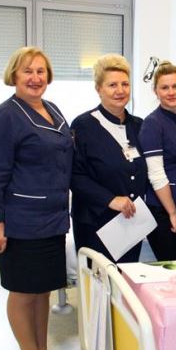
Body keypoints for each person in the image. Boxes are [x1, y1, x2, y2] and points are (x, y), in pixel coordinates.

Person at [0, 46, 73, 350]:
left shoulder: (52, 109)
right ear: (14, 75)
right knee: (22, 290)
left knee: (42, 289)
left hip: (53, 217)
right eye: (27, 71)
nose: (35, 78)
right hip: (22, 219)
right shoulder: (5, 117)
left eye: (40, 71)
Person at [70, 54, 147, 263]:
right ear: (99, 89)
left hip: (131, 221)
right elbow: (75, 175)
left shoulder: (138, 126)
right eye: (112, 85)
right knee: (99, 279)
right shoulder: (83, 126)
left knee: (125, 278)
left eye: (125, 84)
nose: (120, 90)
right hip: (96, 221)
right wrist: (110, 200)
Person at [139, 61, 176, 261]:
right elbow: (155, 173)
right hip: (164, 209)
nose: (171, 92)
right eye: (164, 87)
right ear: (156, 91)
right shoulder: (152, 123)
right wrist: (172, 213)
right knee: (170, 266)